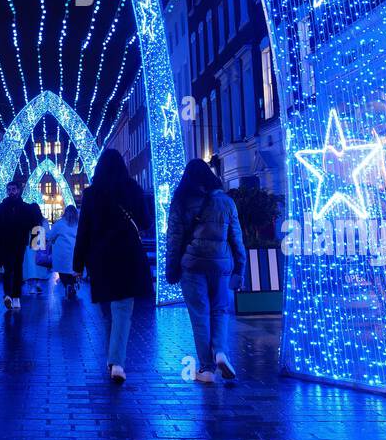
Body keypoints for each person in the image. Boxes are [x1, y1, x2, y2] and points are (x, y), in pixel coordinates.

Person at [73, 149, 153, 384]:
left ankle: (113, 356)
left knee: (108, 309)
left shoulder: (91, 194)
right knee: (123, 310)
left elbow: (83, 231)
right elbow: (146, 222)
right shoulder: (133, 189)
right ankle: (117, 362)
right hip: (128, 255)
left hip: (100, 258)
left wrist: (78, 264)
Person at [165, 158, 245, 384]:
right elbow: (237, 240)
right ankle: (220, 352)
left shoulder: (180, 201)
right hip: (221, 266)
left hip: (192, 266)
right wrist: (240, 268)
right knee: (220, 310)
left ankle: (207, 369)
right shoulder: (227, 202)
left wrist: (171, 269)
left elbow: (174, 239)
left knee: (200, 315)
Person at [0, 180, 44, 309]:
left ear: (18, 190)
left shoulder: (25, 208)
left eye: (13, 189)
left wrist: (35, 241)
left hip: (19, 243)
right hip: (5, 243)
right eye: (9, 189)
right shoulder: (1, 207)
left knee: (17, 269)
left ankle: (15, 295)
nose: (11, 192)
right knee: (9, 269)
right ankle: (9, 295)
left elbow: (34, 224)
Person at [50, 204, 81, 298]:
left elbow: (50, 235)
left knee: (63, 271)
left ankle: (67, 285)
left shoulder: (60, 223)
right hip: (75, 251)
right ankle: (72, 285)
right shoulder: (79, 224)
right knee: (74, 270)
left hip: (61, 252)